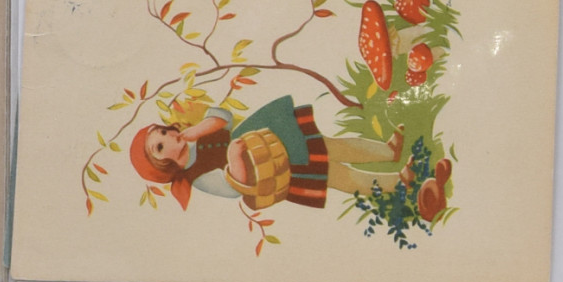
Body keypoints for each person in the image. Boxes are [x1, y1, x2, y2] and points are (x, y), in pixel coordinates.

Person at [130, 97, 404, 211]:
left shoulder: (193, 136)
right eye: (160, 147)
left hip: (274, 137)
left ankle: (388, 152)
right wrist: (234, 158)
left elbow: (223, 117)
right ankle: (397, 183)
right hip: (275, 167)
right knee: (338, 175)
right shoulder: (197, 177)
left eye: (162, 132)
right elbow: (233, 189)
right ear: (162, 165)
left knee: (333, 145)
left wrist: (196, 131)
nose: (168, 137)